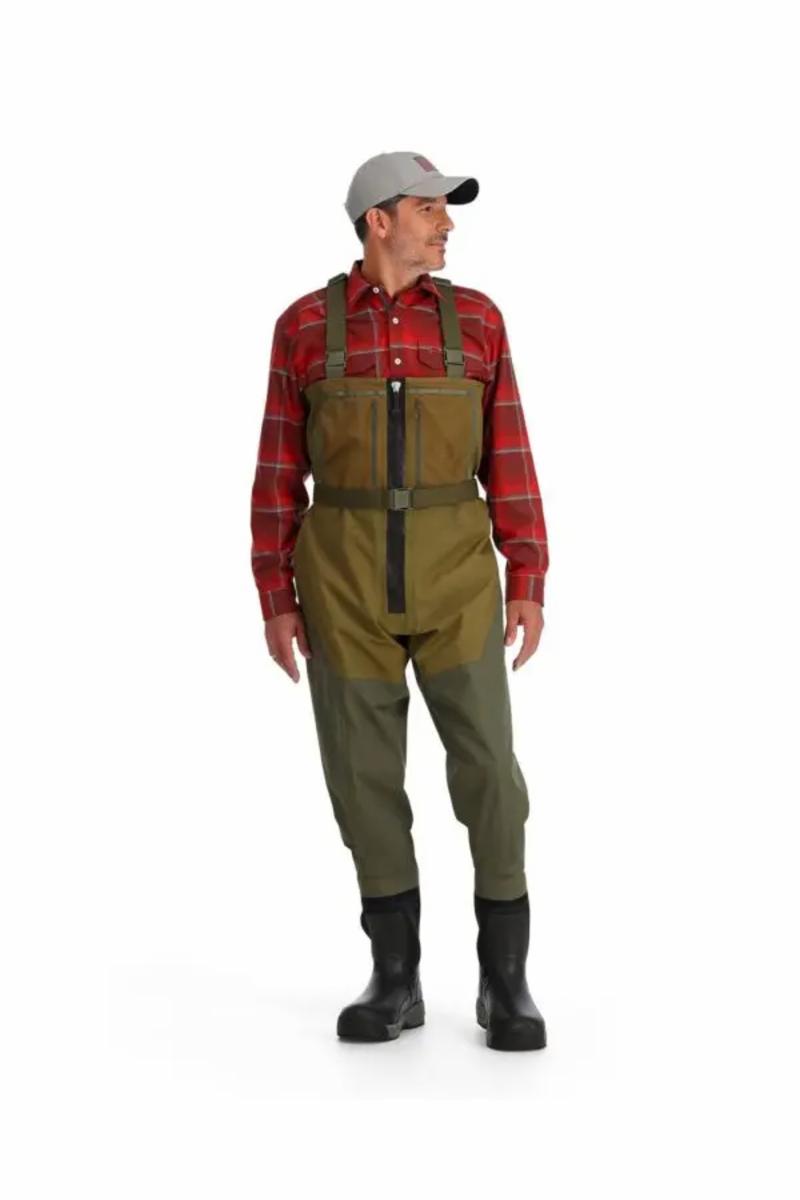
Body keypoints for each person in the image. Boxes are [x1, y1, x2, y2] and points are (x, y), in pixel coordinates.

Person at [249, 151, 550, 1050]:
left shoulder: (479, 320)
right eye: (429, 209)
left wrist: (528, 574)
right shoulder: (305, 326)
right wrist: (275, 593)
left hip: (457, 578)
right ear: (379, 220)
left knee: (490, 772)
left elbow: (510, 454)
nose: (446, 224)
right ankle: (396, 977)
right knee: (362, 779)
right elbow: (277, 467)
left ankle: (505, 981)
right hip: (339, 583)